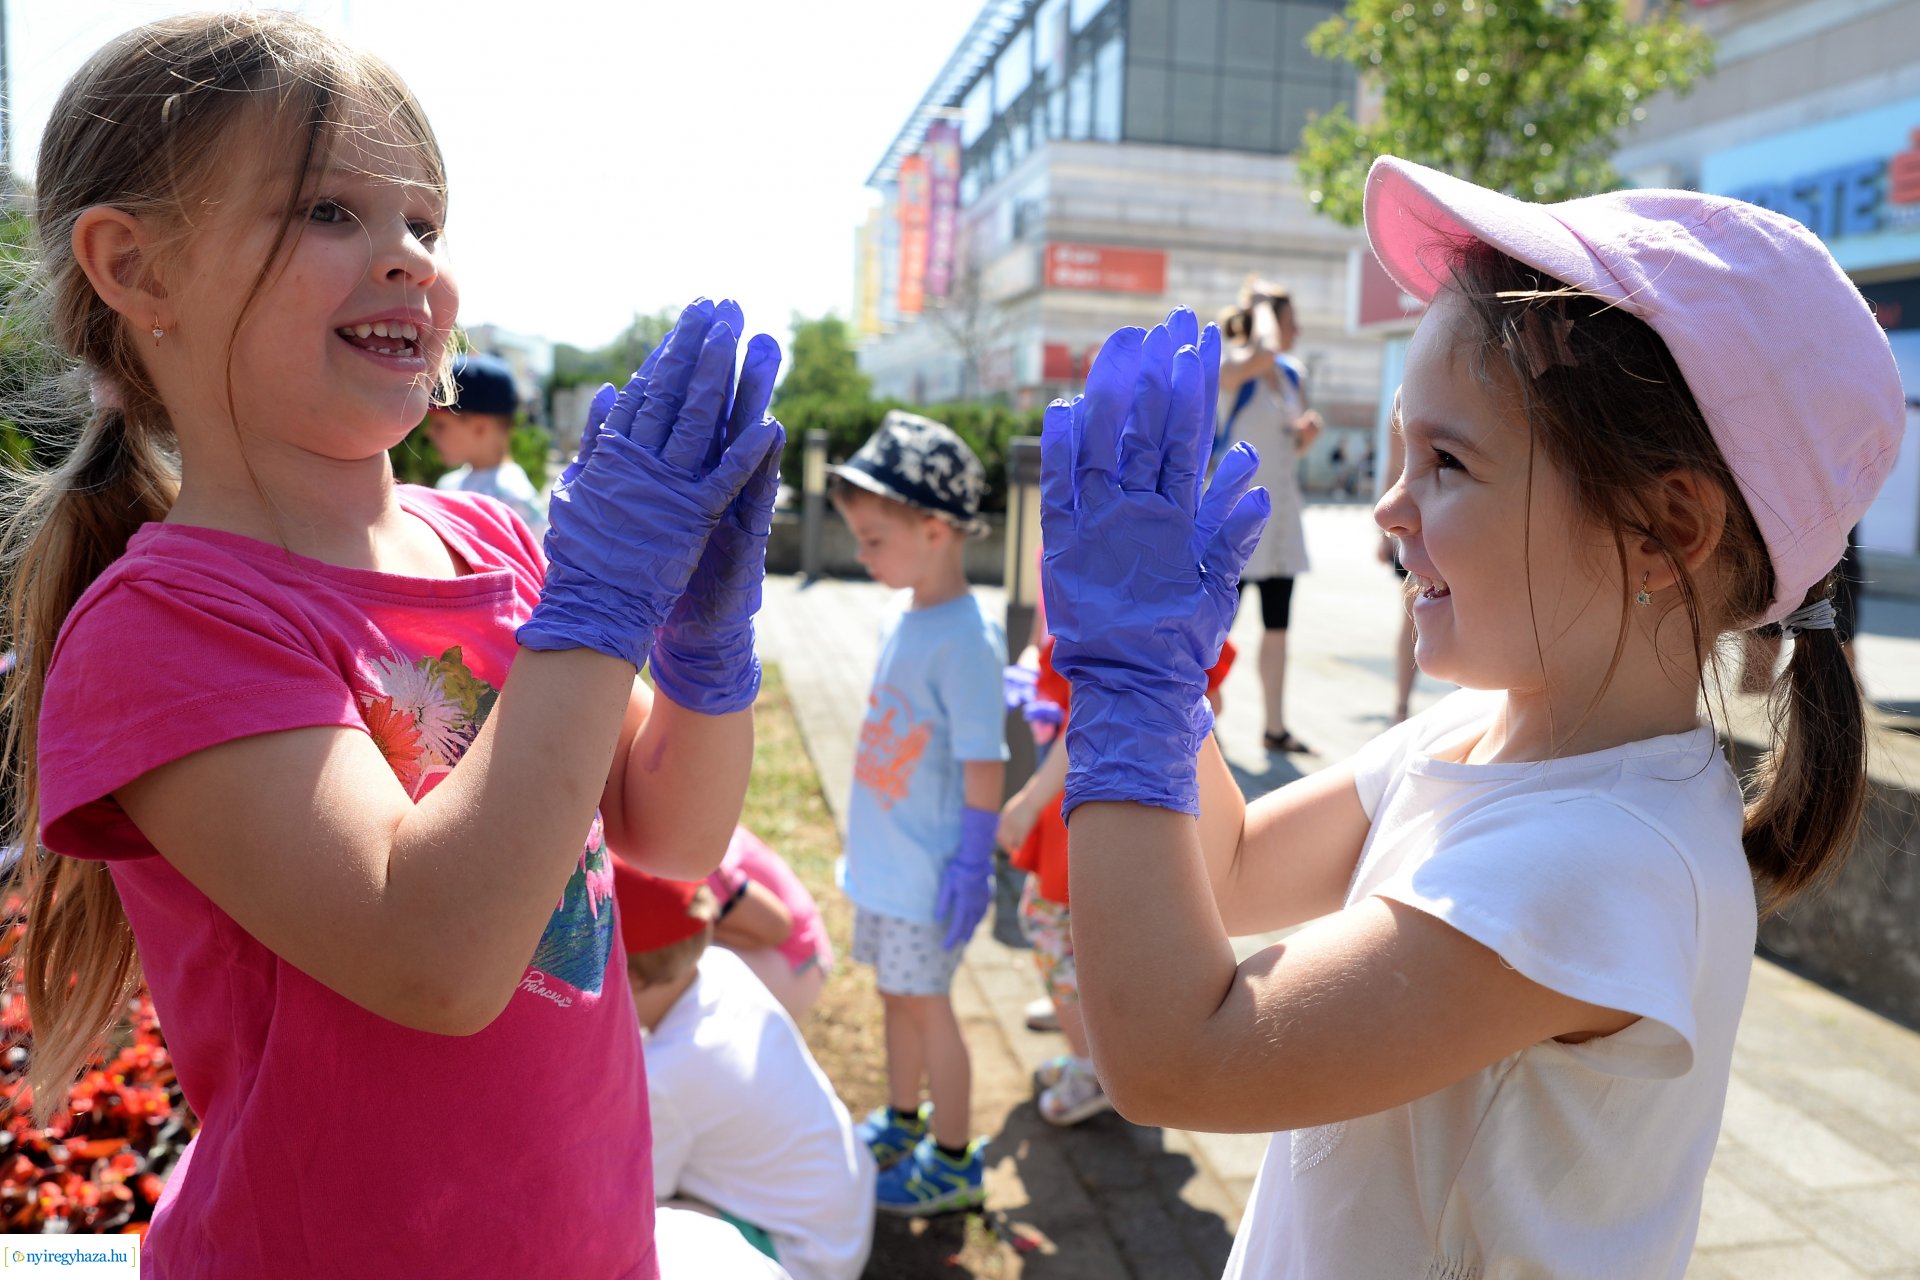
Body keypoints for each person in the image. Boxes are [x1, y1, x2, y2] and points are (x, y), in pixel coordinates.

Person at [0, 15, 785, 1276]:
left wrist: (703, 645)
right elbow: (435, 956)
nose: (410, 260)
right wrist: (594, 613)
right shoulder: (171, 626)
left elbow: (670, 833)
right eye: (328, 212)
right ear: (137, 268)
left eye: (426, 221)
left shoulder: (492, 544)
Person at [1040, 155, 1901, 1278]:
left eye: (1446, 459)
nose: (1391, 505)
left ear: (1664, 528)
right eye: (1403, 449)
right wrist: (1170, 690)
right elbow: (1231, 867)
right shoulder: (1476, 733)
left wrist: (1131, 689)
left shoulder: (1603, 862)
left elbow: (1175, 1059)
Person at [826, 410, 1008, 1215]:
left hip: (928, 877)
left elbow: (984, 761)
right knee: (897, 1001)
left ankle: (956, 1156)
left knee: (931, 1011)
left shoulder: (966, 637)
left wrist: (974, 860)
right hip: (888, 871)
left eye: (873, 538)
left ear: (935, 530)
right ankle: (904, 1120)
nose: (862, 554)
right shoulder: (909, 614)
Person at [999, 631, 1235, 1127]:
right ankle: (1091, 1030)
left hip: (1088, 808)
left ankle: (1091, 1064)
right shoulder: (1171, 600)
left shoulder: (1108, 607)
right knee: (1097, 934)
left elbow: (1089, 722)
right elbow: (1213, 699)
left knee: (1049, 926)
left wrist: (1029, 800)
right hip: (1139, 804)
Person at [617, 859, 874, 1280]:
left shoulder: (664, 1077)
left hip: (802, 1257)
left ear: (634, 976)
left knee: (638, 1223)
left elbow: (639, 1195)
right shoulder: (723, 968)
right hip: (841, 1215)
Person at [1218, 278, 1321, 755]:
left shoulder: (1292, 374)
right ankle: (1196, 716)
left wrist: (1303, 439)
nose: (1296, 327)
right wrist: (1260, 305)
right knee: (1216, 629)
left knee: (1278, 627)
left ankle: (1274, 728)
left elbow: (1285, 450)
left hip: (1280, 525)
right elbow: (1261, 353)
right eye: (1288, 317)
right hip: (1234, 523)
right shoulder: (1233, 364)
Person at [704, 825, 834, 1022]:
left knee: (671, 956)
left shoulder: (696, 858)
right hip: (782, 948)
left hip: (797, 964)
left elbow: (777, 928)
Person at [424, 350, 546, 537]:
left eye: (440, 425)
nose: (429, 432)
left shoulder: (515, 502)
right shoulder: (450, 484)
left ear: (480, 428)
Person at [1375, 424, 1420, 722]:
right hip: (1417, 523)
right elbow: (1395, 468)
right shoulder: (1403, 397)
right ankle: (1401, 707)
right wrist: (1383, 534)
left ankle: (1467, 699)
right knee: (1413, 615)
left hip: (1457, 520)